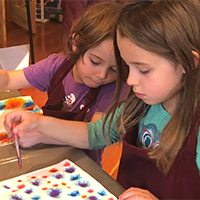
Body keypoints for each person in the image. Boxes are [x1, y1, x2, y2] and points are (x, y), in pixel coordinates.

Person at [4, 0, 200, 199]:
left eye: (143, 70)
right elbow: (95, 134)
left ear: (188, 62)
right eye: (127, 68)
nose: (130, 80)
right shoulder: (140, 104)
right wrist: (40, 125)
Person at [0, 2, 130, 167]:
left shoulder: (113, 89)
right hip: (42, 154)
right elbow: (9, 80)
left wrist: (41, 133)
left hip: (81, 166)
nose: (102, 75)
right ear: (76, 43)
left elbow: (94, 136)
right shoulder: (57, 66)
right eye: (95, 62)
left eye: (114, 69)